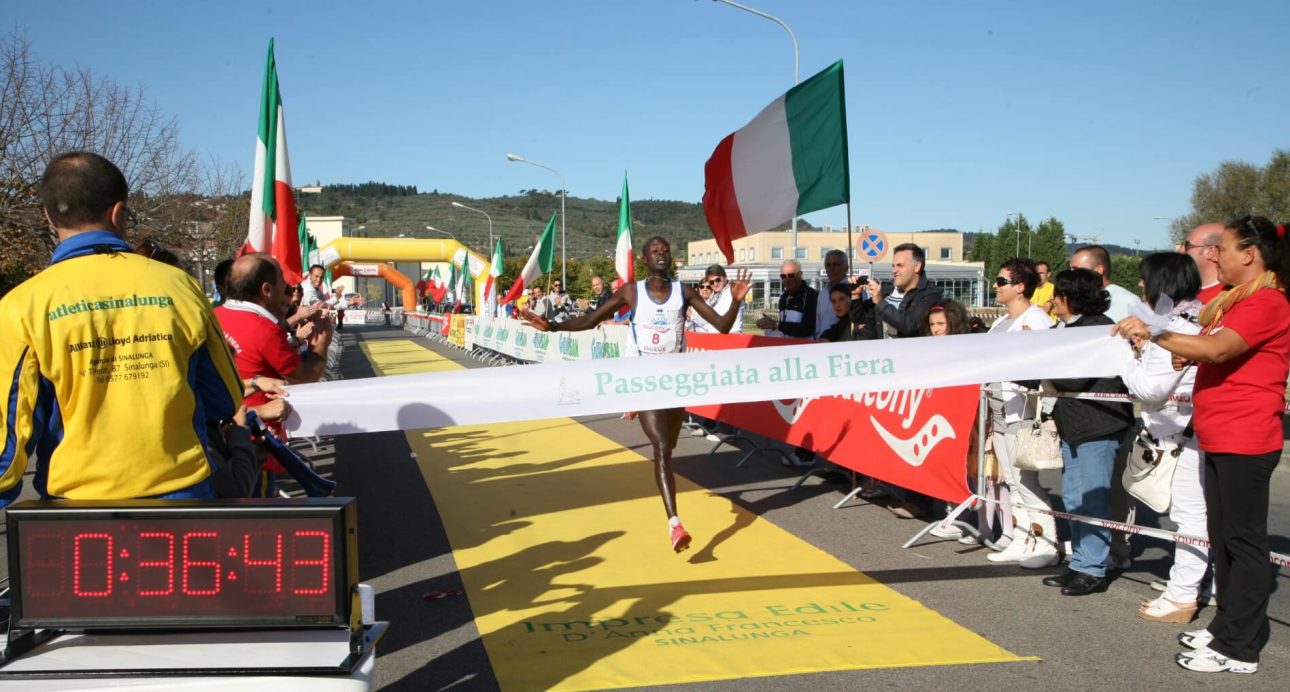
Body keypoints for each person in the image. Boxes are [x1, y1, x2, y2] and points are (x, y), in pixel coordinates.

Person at [0, 151, 244, 505]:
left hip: (77, 513)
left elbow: (8, 441)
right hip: (183, 499)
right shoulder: (179, 286)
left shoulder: (21, 306)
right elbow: (225, 397)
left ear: (48, 216)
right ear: (118, 213)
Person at [1115, 214, 1289, 674]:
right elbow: (1197, 349)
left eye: (1224, 250)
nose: (1215, 257)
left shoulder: (1267, 302)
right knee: (1224, 538)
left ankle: (1240, 646)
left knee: (1243, 543)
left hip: (1245, 436)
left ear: (1249, 255)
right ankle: (1227, 625)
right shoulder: (1233, 302)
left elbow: (1216, 351)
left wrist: (1155, 332)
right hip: (1220, 433)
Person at [521, 236, 749, 553]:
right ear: (644, 259)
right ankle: (675, 523)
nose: (662, 255)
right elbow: (591, 319)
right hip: (645, 380)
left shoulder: (684, 292)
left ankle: (671, 507)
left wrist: (736, 300)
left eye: (666, 251)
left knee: (668, 446)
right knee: (659, 448)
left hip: (675, 382)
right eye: (655, 252)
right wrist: (554, 326)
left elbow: (723, 326)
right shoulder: (632, 291)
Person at [1121, 253, 1207, 624]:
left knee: (1190, 518)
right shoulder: (1188, 323)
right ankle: (1201, 585)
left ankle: (1182, 595)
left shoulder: (1174, 331)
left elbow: (1150, 389)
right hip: (1185, 433)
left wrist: (1122, 358)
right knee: (1200, 518)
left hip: (1182, 437)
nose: (1141, 285)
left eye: (1145, 279)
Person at [1040, 268, 1134, 596]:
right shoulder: (1069, 328)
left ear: (1070, 297)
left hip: (1099, 426)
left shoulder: (1099, 330)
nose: (1052, 300)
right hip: (1073, 426)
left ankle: (1093, 567)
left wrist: (1041, 364)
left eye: (1057, 293)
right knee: (1073, 497)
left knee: (1094, 498)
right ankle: (1079, 561)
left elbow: (1075, 379)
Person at [1070, 244, 1146, 571]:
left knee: (1110, 487)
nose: (1069, 279)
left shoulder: (1125, 303)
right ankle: (1086, 555)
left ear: (1098, 272)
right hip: (1079, 414)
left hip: (1109, 410)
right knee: (1082, 493)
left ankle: (1116, 548)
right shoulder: (1075, 310)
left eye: (1076, 272)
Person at [984, 259, 1060, 569]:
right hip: (998, 409)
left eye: (1001, 281)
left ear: (1020, 286)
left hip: (1022, 411)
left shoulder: (1037, 320)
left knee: (1026, 481)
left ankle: (1046, 543)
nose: (995, 287)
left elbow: (1043, 365)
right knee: (1011, 483)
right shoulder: (999, 322)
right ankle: (1020, 538)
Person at [861, 242, 943, 338]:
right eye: (893, 266)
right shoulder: (887, 289)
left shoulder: (930, 294)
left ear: (917, 267)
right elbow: (860, 318)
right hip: (884, 352)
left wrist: (880, 303)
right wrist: (855, 296)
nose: (894, 271)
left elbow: (909, 326)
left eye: (900, 265)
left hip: (911, 352)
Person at [756, 259, 816, 339]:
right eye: (783, 276)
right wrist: (769, 325)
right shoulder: (784, 297)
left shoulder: (811, 295)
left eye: (791, 275)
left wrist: (776, 324)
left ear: (800, 275)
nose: (787, 279)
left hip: (805, 349)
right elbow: (785, 328)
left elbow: (808, 329)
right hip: (786, 348)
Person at [1180, 223, 1226, 304]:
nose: (1181, 251)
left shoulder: (1230, 298)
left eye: (1188, 246)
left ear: (1211, 252)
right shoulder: (1177, 290)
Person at [815, 249, 850, 339]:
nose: (831, 269)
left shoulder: (855, 291)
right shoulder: (823, 293)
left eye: (836, 265)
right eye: (828, 265)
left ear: (846, 268)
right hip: (823, 345)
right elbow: (818, 322)